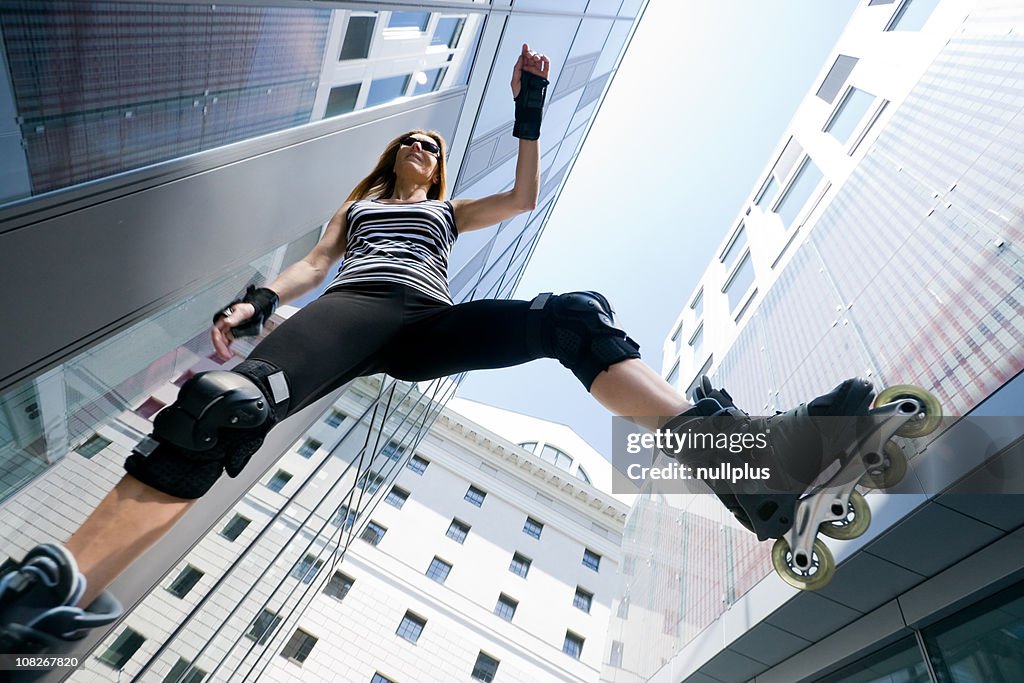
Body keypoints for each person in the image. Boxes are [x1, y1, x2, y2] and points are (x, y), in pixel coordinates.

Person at [1, 44, 880, 652]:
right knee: (218, 410)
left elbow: (524, 195)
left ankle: (751, 469)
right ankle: (48, 594)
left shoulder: (447, 214)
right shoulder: (358, 213)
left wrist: (527, 108)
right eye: (413, 142)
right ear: (392, 162)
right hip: (355, 308)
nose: (423, 147)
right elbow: (312, 264)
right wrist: (260, 298)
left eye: (432, 144)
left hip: (425, 321)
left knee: (572, 316)